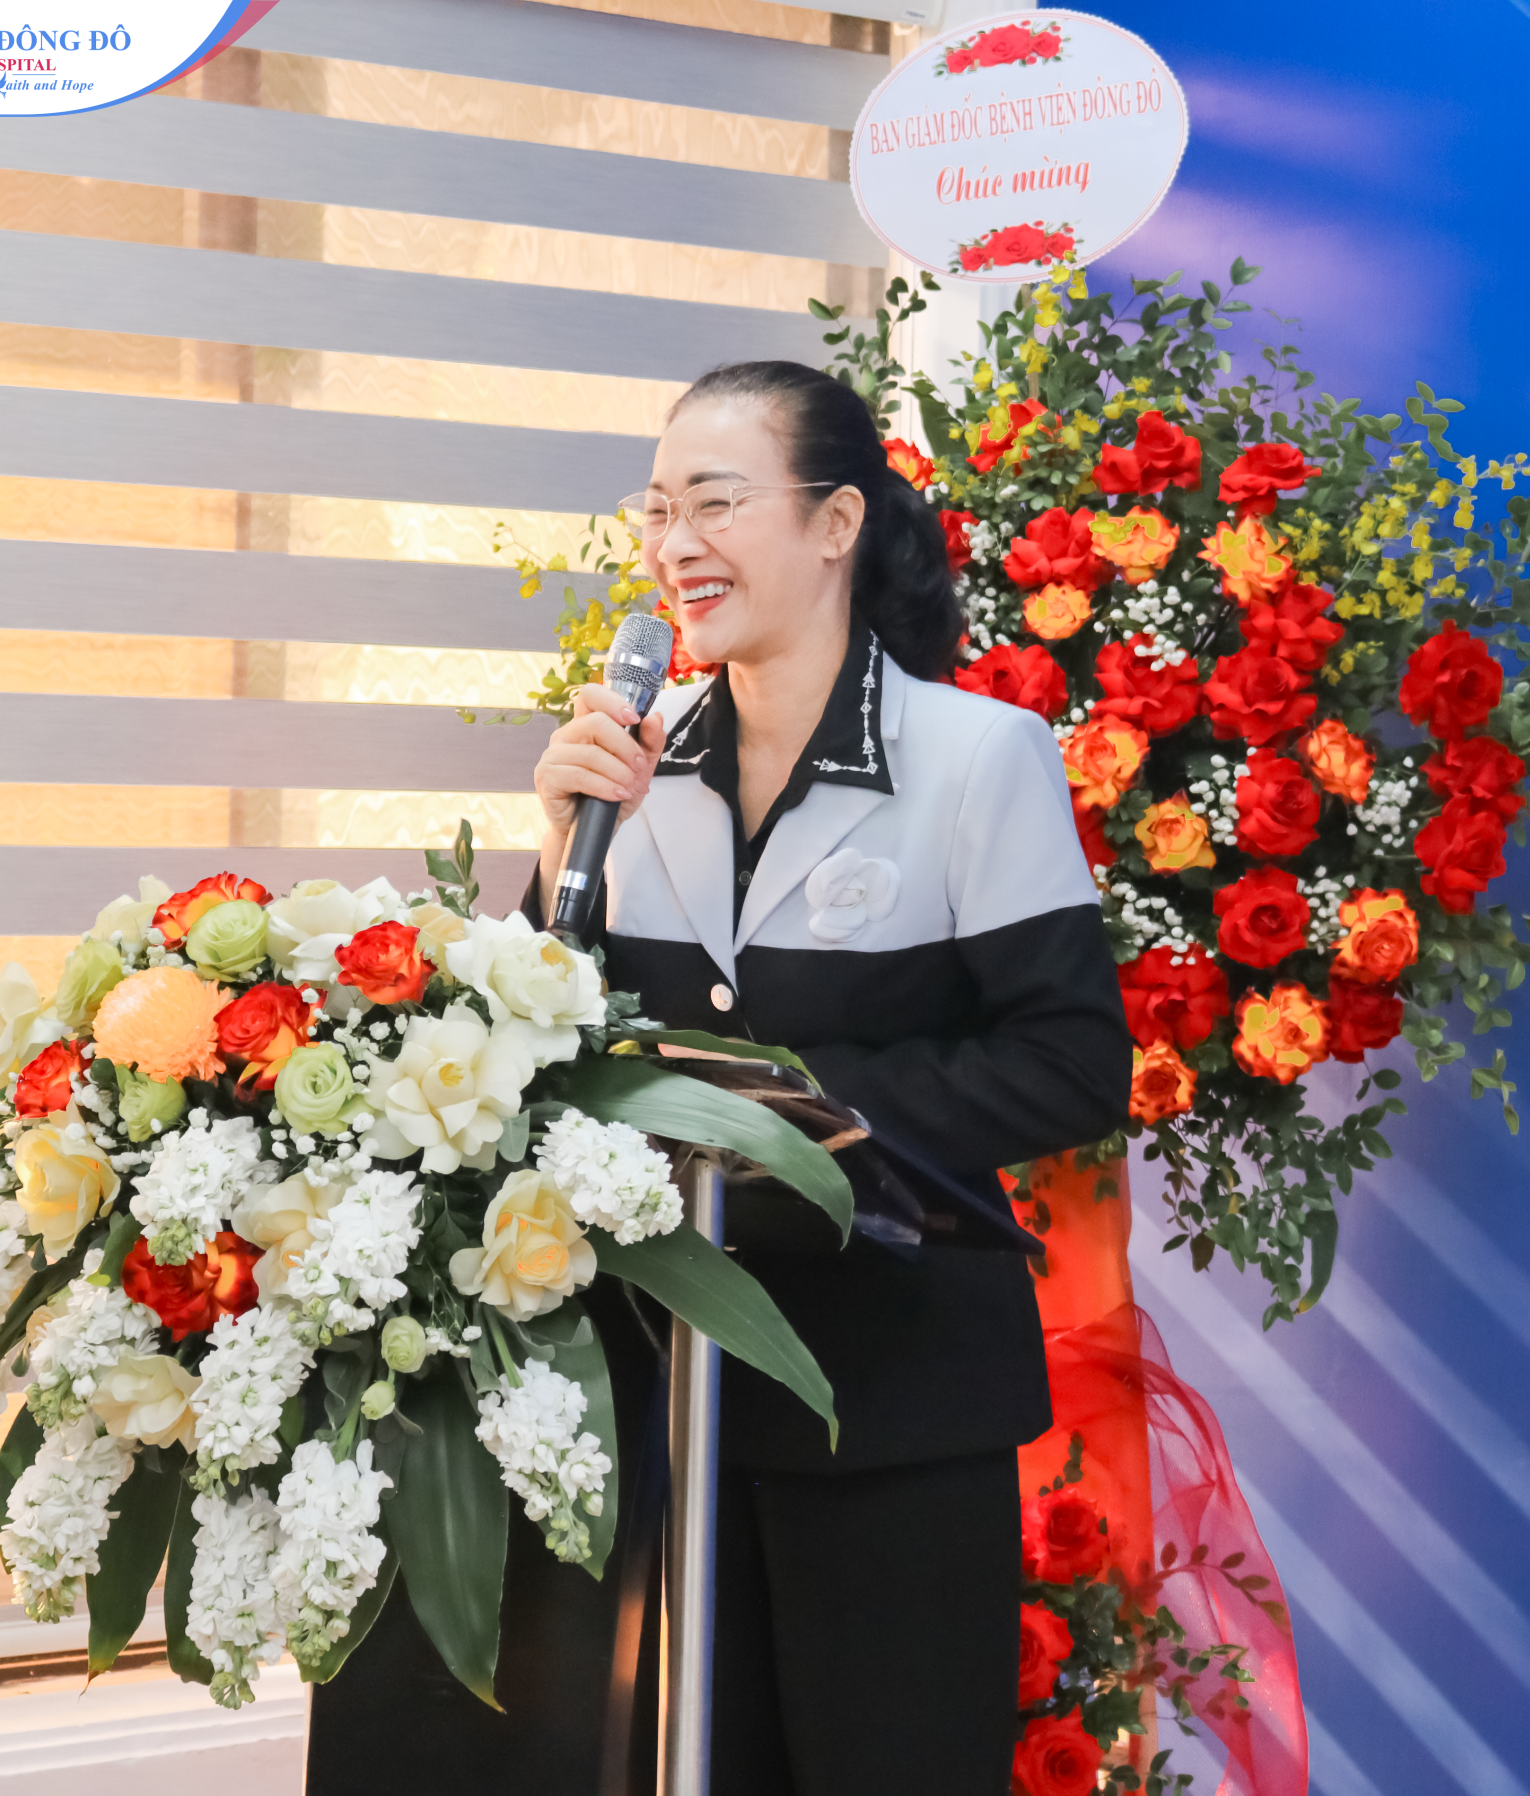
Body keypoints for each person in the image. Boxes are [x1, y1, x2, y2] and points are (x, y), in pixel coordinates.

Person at [307, 361, 1128, 1795]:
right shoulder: (634, 770)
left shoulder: (974, 756)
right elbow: (533, 1056)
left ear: (836, 523)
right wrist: (557, 847)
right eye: (656, 510)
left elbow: (1069, 1064)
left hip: (890, 1397)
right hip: (664, 1397)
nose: (675, 543)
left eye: (716, 503)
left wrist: (776, 1110)